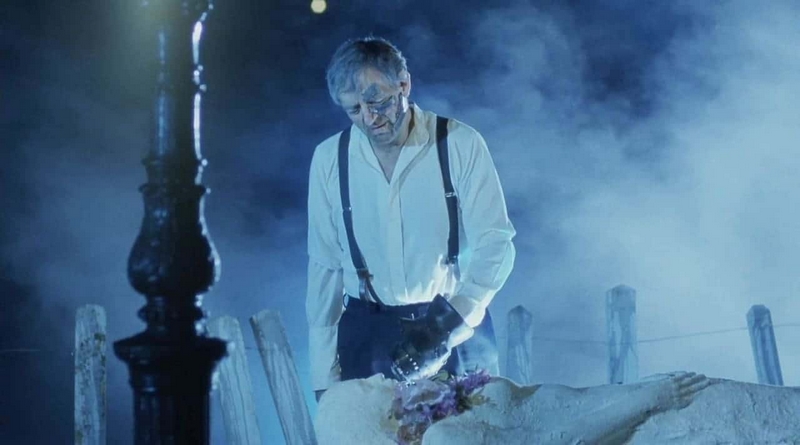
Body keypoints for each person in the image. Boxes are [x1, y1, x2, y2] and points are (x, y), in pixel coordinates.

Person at [306, 36, 516, 402]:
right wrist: (324, 377)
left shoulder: (459, 143)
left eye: (378, 102)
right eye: (354, 110)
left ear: (404, 84)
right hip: (367, 335)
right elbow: (324, 266)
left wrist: (447, 325)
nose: (370, 119)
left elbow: (496, 243)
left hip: (454, 326)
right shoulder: (329, 159)